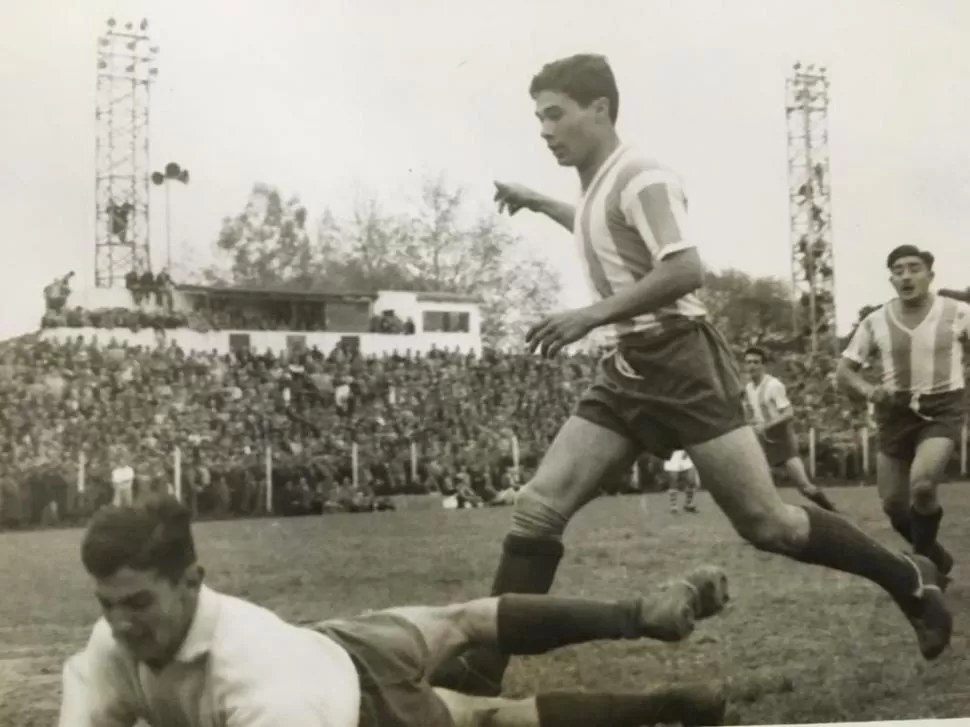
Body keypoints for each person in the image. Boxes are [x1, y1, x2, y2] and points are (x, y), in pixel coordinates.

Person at [430, 53, 951, 697]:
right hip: (628, 367)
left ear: (601, 109)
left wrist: (590, 314)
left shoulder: (643, 176)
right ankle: (484, 664)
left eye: (556, 113)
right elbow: (599, 234)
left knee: (768, 524)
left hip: (680, 359)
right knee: (538, 509)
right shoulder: (599, 186)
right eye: (538, 116)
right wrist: (540, 203)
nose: (544, 129)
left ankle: (908, 579)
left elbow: (685, 270)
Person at [58, 494, 733, 727]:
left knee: (486, 716)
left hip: (363, 707)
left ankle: (665, 695)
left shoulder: (258, 683)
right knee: (464, 617)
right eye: (108, 604)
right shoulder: (110, 641)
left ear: (191, 581)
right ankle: (646, 629)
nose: (121, 623)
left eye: (139, 602)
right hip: (330, 640)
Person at [836, 245, 966, 589]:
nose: (906, 276)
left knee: (923, 485)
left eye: (914, 268)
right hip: (894, 413)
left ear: (930, 275)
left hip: (942, 407)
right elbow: (845, 371)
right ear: (891, 279)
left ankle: (923, 572)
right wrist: (869, 391)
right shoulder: (876, 320)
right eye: (898, 270)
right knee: (894, 505)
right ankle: (936, 558)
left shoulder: (958, 312)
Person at [742, 347, 838, 512]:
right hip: (763, 441)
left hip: (781, 440)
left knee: (804, 486)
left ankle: (833, 512)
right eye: (749, 362)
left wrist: (766, 425)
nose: (752, 366)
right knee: (755, 482)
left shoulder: (773, 385)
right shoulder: (749, 388)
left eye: (756, 362)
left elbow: (789, 413)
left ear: (763, 365)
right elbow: (754, 414)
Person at [664, 450, 699, 514]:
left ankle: (688, 504)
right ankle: (673, 505)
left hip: (686, 454)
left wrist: (687, 451)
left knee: (691, 479)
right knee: (673, 479)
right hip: (673, 455)